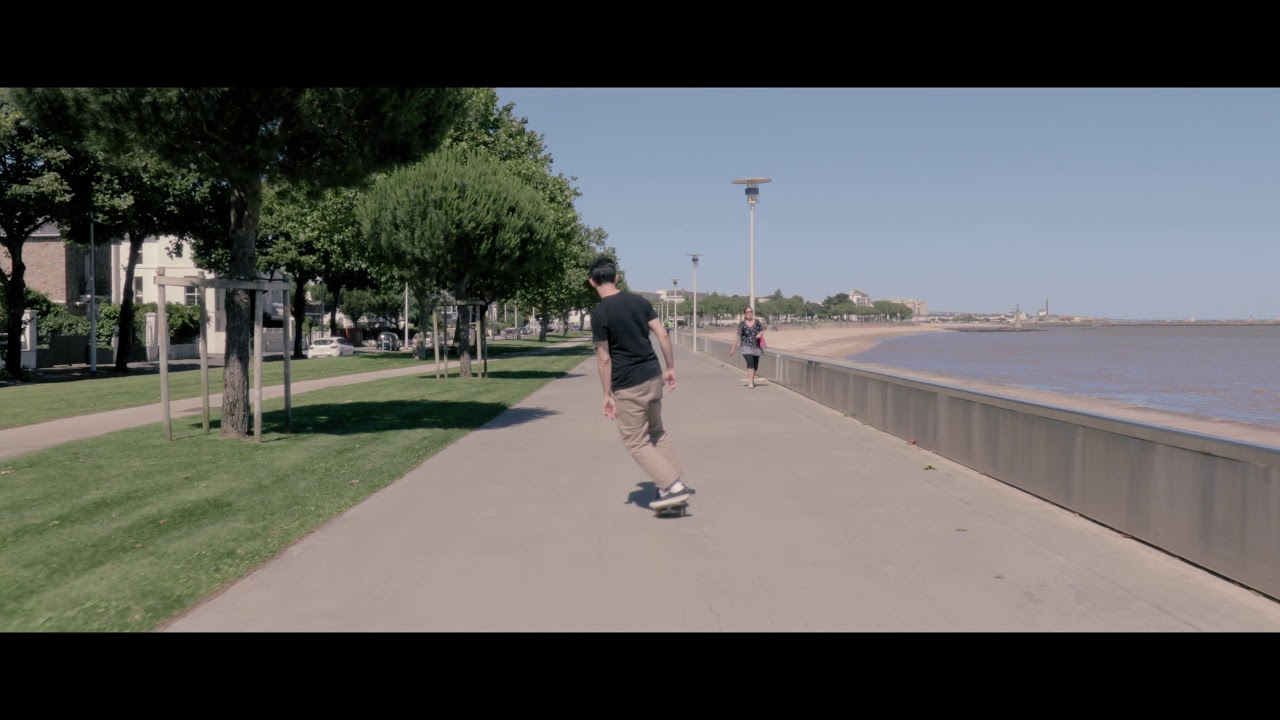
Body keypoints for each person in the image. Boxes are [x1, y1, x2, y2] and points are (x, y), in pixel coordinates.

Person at [588, 255, 694, 510]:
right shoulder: (638, 301)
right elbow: (662, 333)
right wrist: (670, 367)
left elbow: (604, 358)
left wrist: (606, 394)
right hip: (652, 376)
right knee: (656, 432)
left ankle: (672, 486)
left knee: (635, 441)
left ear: (592, 282)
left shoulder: (600, 313)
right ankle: (669, 486)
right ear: (616, 277)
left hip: (628, 383)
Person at [729, 306, 765, 389]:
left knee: (755, 366)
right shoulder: (741, 324)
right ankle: (750, 383)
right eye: (747, 312)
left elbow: (762, 330)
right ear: (744, 314)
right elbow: (738, 336)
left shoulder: (757, 322)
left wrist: (760, 334)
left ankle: (752, 379)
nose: (749, 313)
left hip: (756, 346)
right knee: (750, 363)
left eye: (751, 312)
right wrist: (733, 348)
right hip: (746, 346)